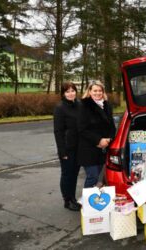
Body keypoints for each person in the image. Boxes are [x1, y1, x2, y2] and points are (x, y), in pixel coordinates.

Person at [77, 80, 116, 188]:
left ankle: (93, 202)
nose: (97, 93)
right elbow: (82, 129)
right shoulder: (83, 106)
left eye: (100, 90)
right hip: (88, 148)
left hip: (103, 149)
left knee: (99, 177)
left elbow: (112, 126)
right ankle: (86, 202)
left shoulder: (107, 105)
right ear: (89, 91)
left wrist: (109, 139)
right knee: (92, 176)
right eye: (95, 90)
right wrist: (99, 140)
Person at [53, 82, 81, 211]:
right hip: (67, 148)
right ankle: (67, 200)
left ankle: (73, 198)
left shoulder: (79, 105)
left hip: (79, 147)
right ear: (63, 94)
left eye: (73, 90)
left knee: (74, 174)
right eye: (67, 91)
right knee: (67, 174)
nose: (71, 93)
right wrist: (62, 151)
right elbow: (58, 131)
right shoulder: (60, 108)